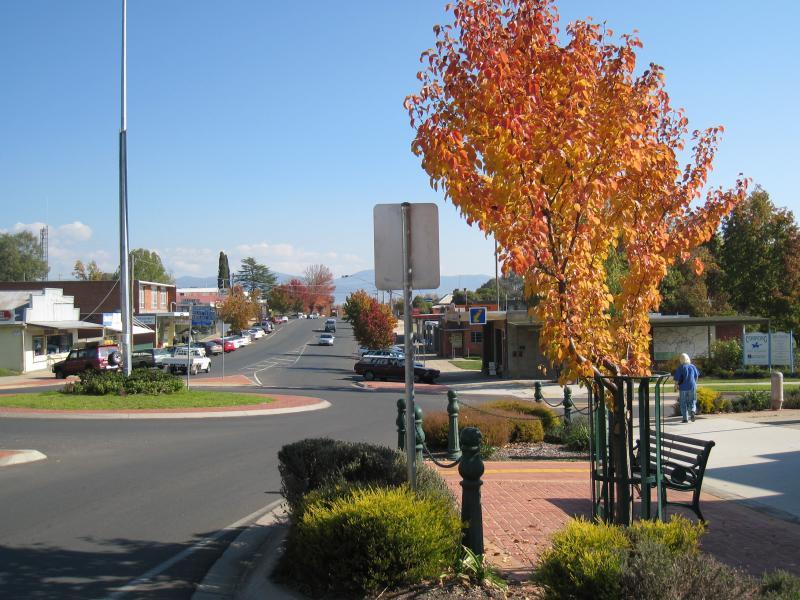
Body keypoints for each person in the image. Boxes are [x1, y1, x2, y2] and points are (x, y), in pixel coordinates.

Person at [673, 353, 700, 423]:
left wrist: (675, 387)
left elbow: (676, 379)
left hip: (682, 387)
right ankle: (692, 411)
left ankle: (685, 418)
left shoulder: (680, 367)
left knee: (683, 402)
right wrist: (695, 384)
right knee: (693, 400)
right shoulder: (692, 366)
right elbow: (696, 376)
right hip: (692, 386)